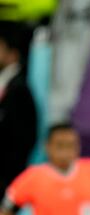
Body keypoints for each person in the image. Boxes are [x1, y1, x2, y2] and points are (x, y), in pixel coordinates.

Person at [0, 21, 37, 195]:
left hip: (8, 177)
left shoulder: (19, 89)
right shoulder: (7, 85)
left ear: (13, 54)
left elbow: (23, 137)